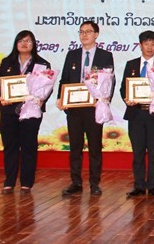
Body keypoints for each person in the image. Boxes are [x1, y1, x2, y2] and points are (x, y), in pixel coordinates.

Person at [56, 21, 114, 196]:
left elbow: (110, 80)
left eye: (88, 32)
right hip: (74, 108)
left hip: (94, 108)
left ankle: (94, 183)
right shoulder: (72, 55)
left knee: (95, 147)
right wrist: (61, 97)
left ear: (96, 34)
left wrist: (104, 99)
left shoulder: (105, 55)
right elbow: (64, 80)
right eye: (81, 32)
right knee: (75, 147)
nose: (84, 35)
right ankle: (76, 182)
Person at [0, 30, 51, 194]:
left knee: (28, 147)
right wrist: (2, 96)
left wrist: (41, 99)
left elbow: (47, 87)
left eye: (28, 41)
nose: (24, 44)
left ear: (34, 44)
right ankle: (9, 182)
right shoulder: (7, 62)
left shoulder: (42, 64)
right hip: (9, 111)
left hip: (31, 111)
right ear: (16, 44)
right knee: (10, 147)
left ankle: (26, 183)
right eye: (21, 41)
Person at [121, 30, 154, 198]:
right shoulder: (131, 65)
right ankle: (139, 185)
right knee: (138, 152)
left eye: (153, 44)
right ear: (140, 45)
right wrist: (127, 99)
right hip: (136, 114)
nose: (149, 47)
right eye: (146, 44)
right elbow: (123, 88)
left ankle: (153, 186)